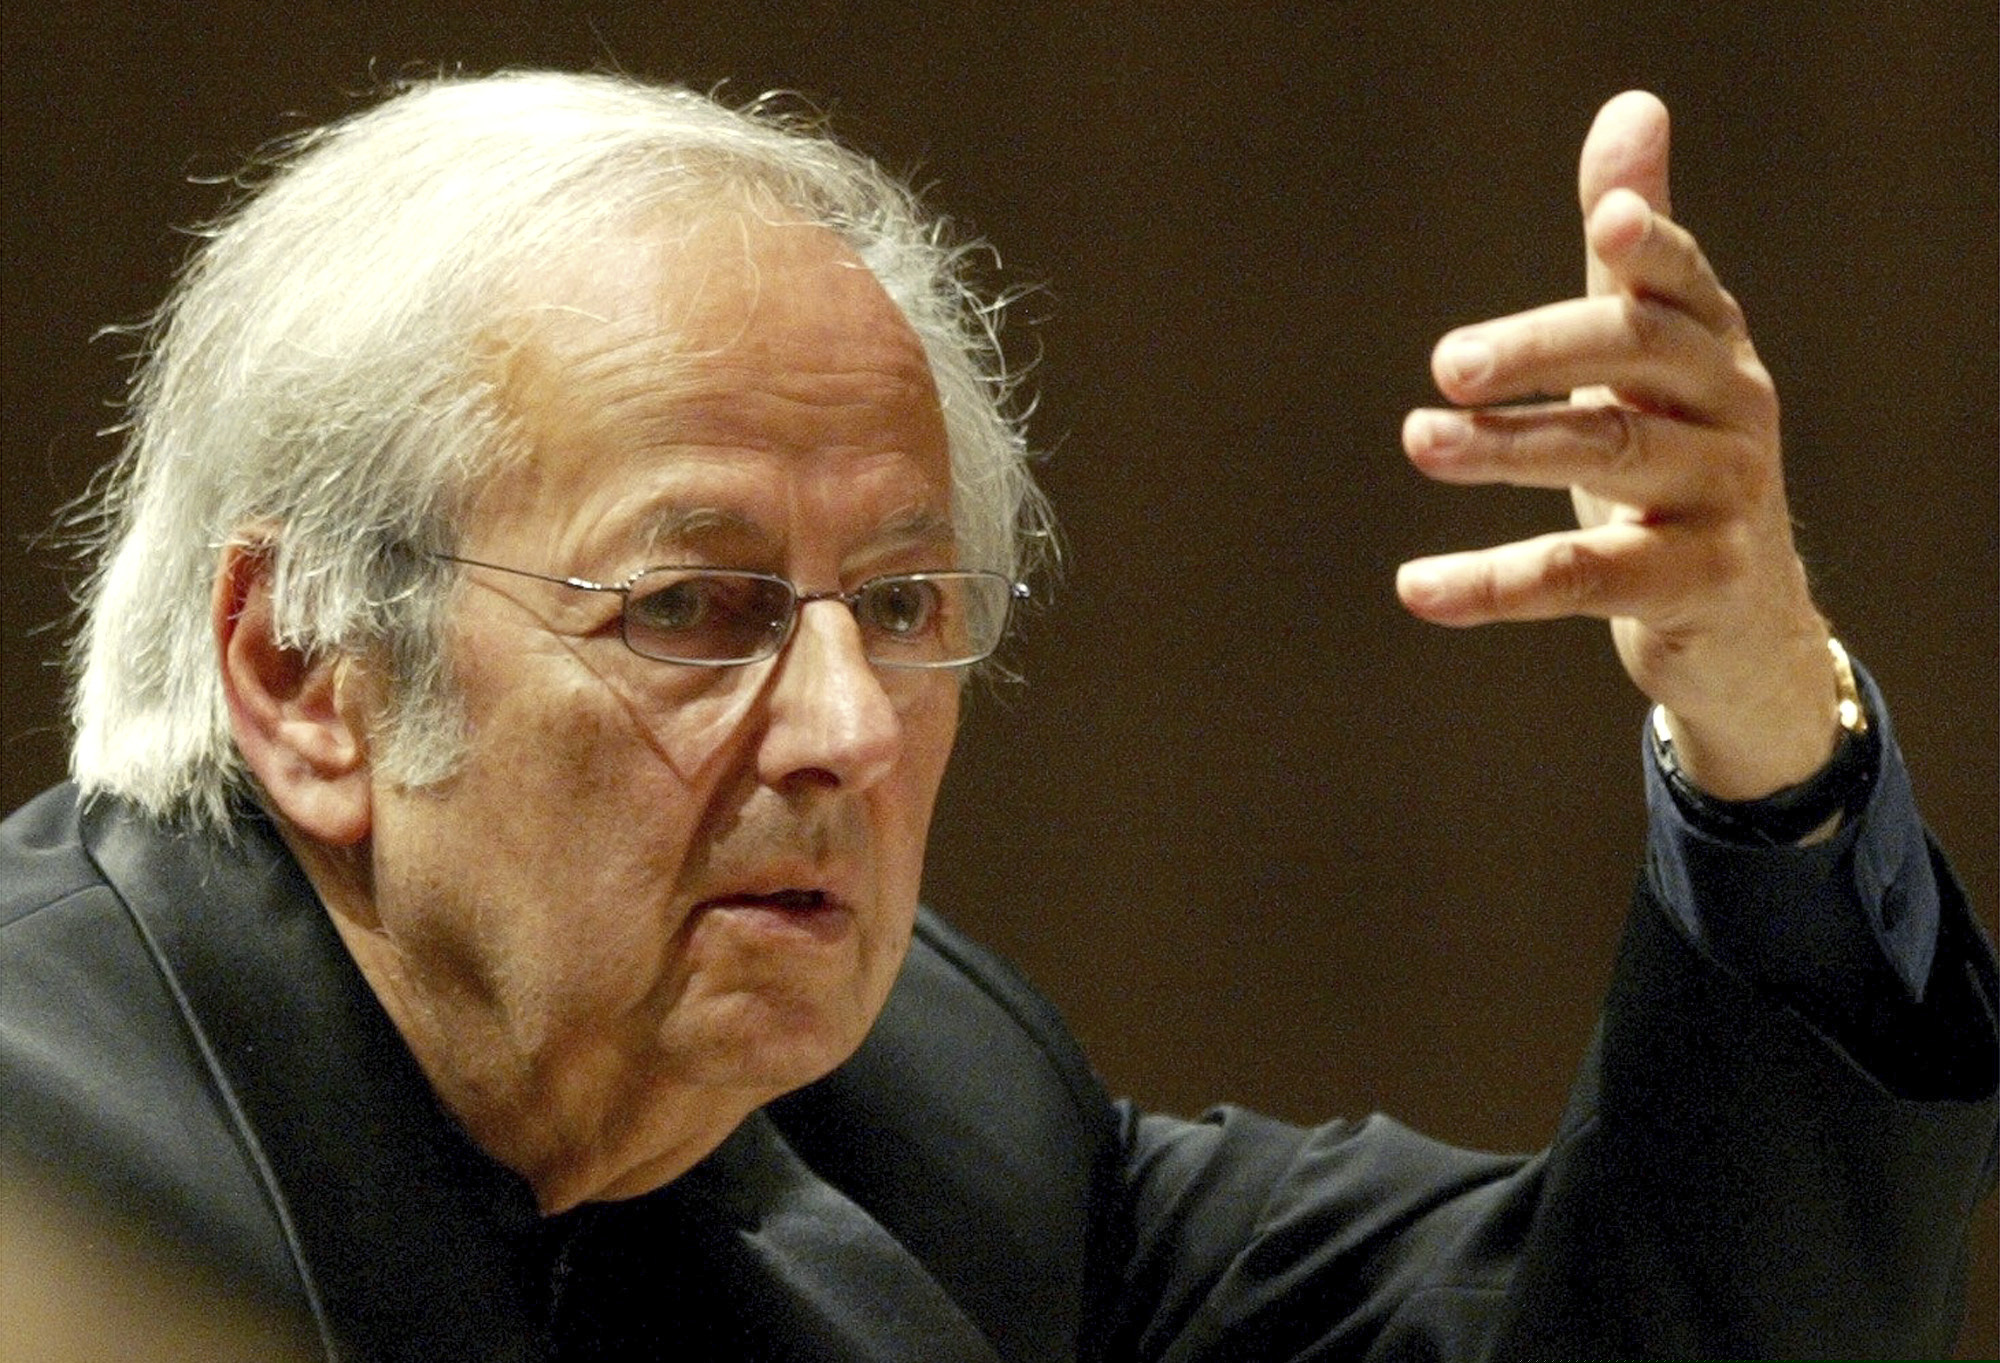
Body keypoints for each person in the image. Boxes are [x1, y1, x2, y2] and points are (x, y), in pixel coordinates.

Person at [1, 70, 1992, 1361]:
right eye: (695, 609)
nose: (849, 730)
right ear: (303, 675)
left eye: (899, 604)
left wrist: (1753, 721)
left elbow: (1639, 1333)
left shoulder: (912, 1112)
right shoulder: (46, 1180)